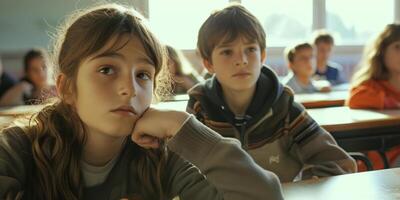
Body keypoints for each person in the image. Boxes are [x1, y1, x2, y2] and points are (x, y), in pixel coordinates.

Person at [0, 4, 284, 200]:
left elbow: (263, 196)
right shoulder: (19, 149)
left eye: (143, 75)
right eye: (107, 69)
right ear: (67, 87)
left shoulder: (159, 155)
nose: (129, 88)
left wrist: (184, 125)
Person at [187, 4, 356, 183]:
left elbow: (341, 163)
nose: (242, 61)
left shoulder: (284, 108)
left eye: (250, 49)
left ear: (263, 56)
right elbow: (182, 169)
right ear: (208, 64)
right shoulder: (200, 107)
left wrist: (298, 187)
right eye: (227, 52)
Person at [347, 23, 400, 170]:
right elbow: (355, 99)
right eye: (397, 47)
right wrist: (389, 102)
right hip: (384, 161)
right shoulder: (371, 85)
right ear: (382, 52)